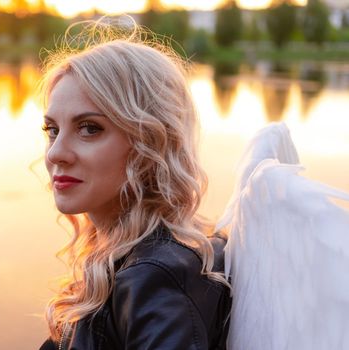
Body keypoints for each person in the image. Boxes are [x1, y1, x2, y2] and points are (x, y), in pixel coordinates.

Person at [38, 17, 231, 350]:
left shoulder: (155, 278)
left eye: (89, 128)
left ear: (150, 141)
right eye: (52, 130)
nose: (56, 153)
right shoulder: (127, 257)